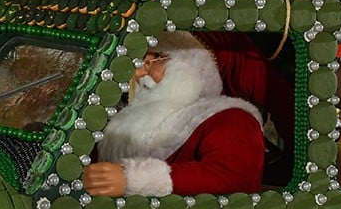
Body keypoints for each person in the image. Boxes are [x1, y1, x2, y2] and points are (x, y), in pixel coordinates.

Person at [82, 32, 266, 197]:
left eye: (152, 61)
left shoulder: (232, 119)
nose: (138, 74)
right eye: (138, 63)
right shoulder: (117, 128)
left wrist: (135, 180)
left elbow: (233, 177)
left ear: (189, 69)